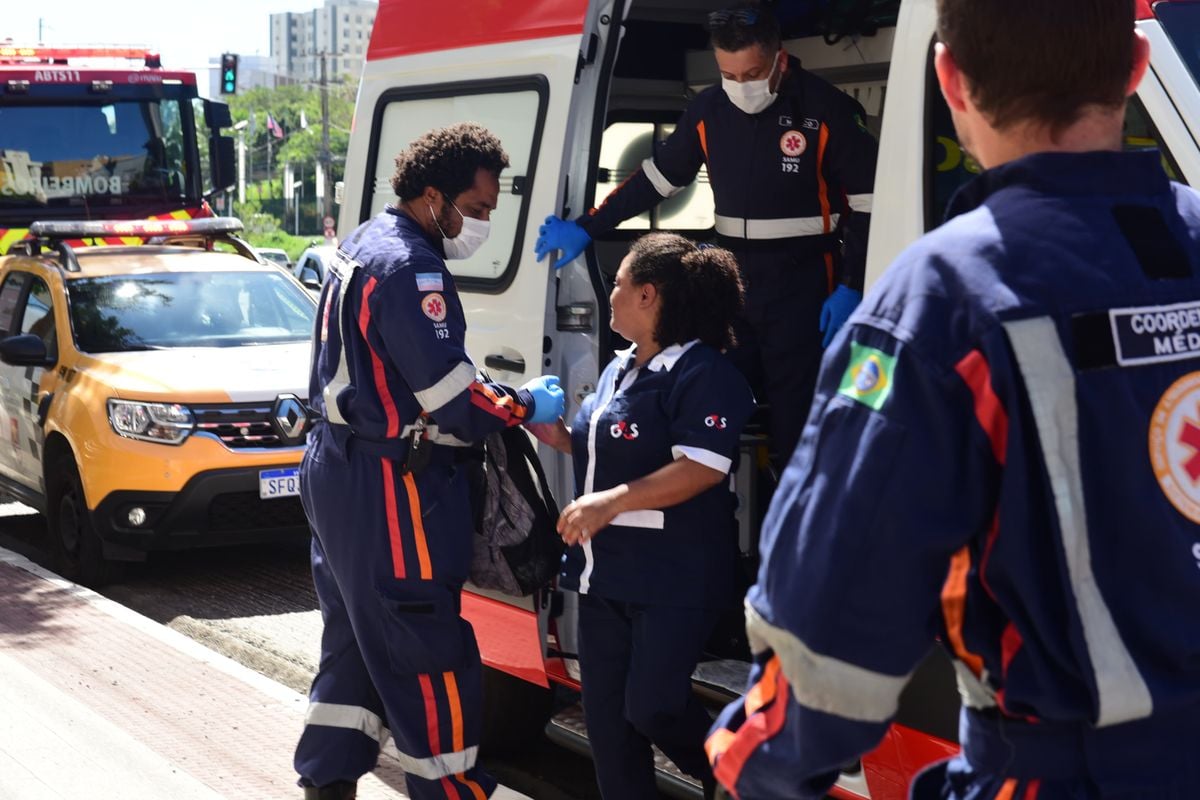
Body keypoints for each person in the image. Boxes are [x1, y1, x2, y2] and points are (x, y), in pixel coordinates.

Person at [705, 0, 1200, 798]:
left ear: (950, 81)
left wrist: (748, 758)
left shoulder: (944, 298)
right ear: (1137, 65)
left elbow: (833, 629)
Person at [293, 123, 565, 800]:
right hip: (391, 479)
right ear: (434, 195)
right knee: (424, 644)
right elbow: (452, 400)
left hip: (336, 466)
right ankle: (451, 791)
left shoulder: (362, 241)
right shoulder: (412, 267)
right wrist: (526, 404)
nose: (479, 226)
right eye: (475, 211)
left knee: (354, 639)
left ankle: (327, 782)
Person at [535, 2, 877, 467]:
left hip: (806, 284)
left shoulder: (827, 109)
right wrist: (587, 228)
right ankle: (708, 523)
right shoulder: (710, 108)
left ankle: (795, 531)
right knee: (709, 409)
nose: (742, 87)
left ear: (779, 59)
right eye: (728, 75)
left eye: (752, 73)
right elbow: (659, 179)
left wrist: (851, 285)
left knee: (798, 423)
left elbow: (868, 204)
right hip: (731, 283)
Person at [528, 233, 755, 800]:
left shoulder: (706, 373)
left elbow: (700, 469)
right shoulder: (619, 368)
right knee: (609, 731)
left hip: (674, 577)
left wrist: (609, 502)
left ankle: (740, 781)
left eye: (620, 283)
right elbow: (599, 450)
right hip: (606, 577)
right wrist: (543, 426)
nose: (610, 294)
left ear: (649, 295)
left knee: (653, 708)